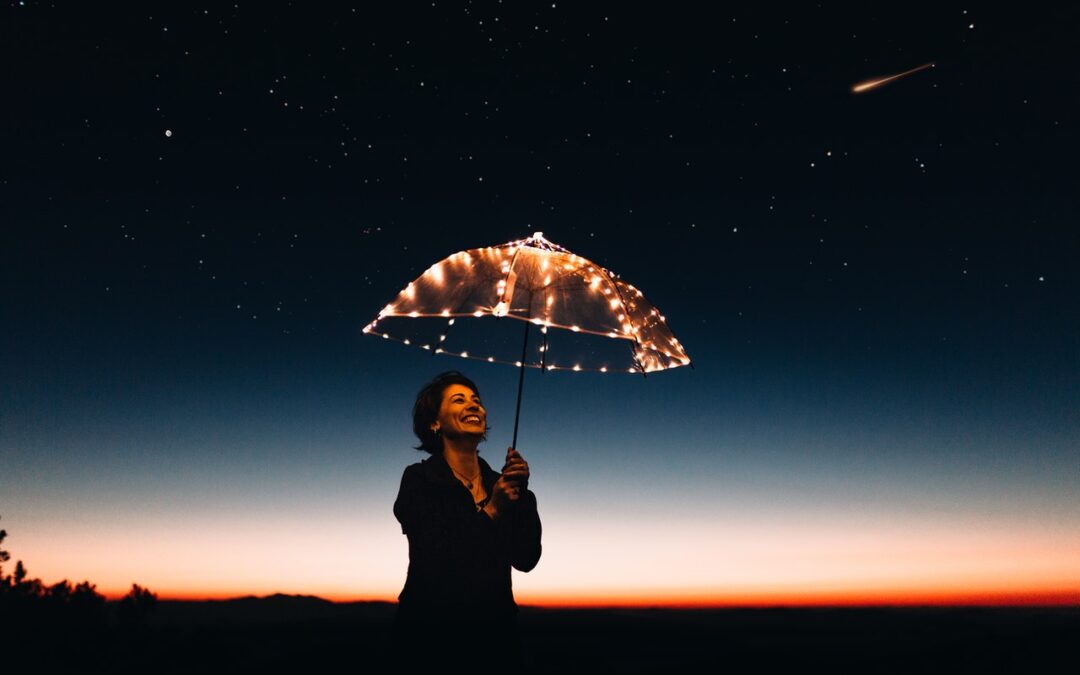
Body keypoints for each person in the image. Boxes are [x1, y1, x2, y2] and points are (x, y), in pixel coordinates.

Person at [391, 371, 542, 665]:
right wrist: (493, 510)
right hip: (429, 640)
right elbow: (437, 556)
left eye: (477, 400)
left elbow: (526, 559)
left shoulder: (500, 484)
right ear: (435, 422)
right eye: (459, 400)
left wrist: (522, 495)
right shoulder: (419, 480)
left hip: (496, 641)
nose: (474, 406)